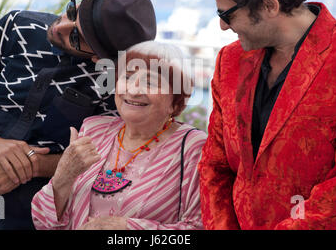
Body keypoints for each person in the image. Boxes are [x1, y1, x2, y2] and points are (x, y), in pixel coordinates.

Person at [0, 0, 157, 230]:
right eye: (72, 12)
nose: (61, 26)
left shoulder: (117, 84)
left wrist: (27, 166)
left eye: (75, 37)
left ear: (98, 57)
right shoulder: (16, 27)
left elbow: (105, 159)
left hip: (28, 215)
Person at [198, 0, 336, 230]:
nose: (222, 26)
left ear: (269, 5)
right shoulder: (230, 61)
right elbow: (215, 165)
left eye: (227, 14)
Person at [31, 41, 206, 230]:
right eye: (128, 77)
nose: (133, 90)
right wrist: (63, 176)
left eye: (150, 82)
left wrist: (127, 229)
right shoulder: (94, 129)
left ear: (175, 101)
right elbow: (42, 222)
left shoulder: (193, 146)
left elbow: (200, 227)